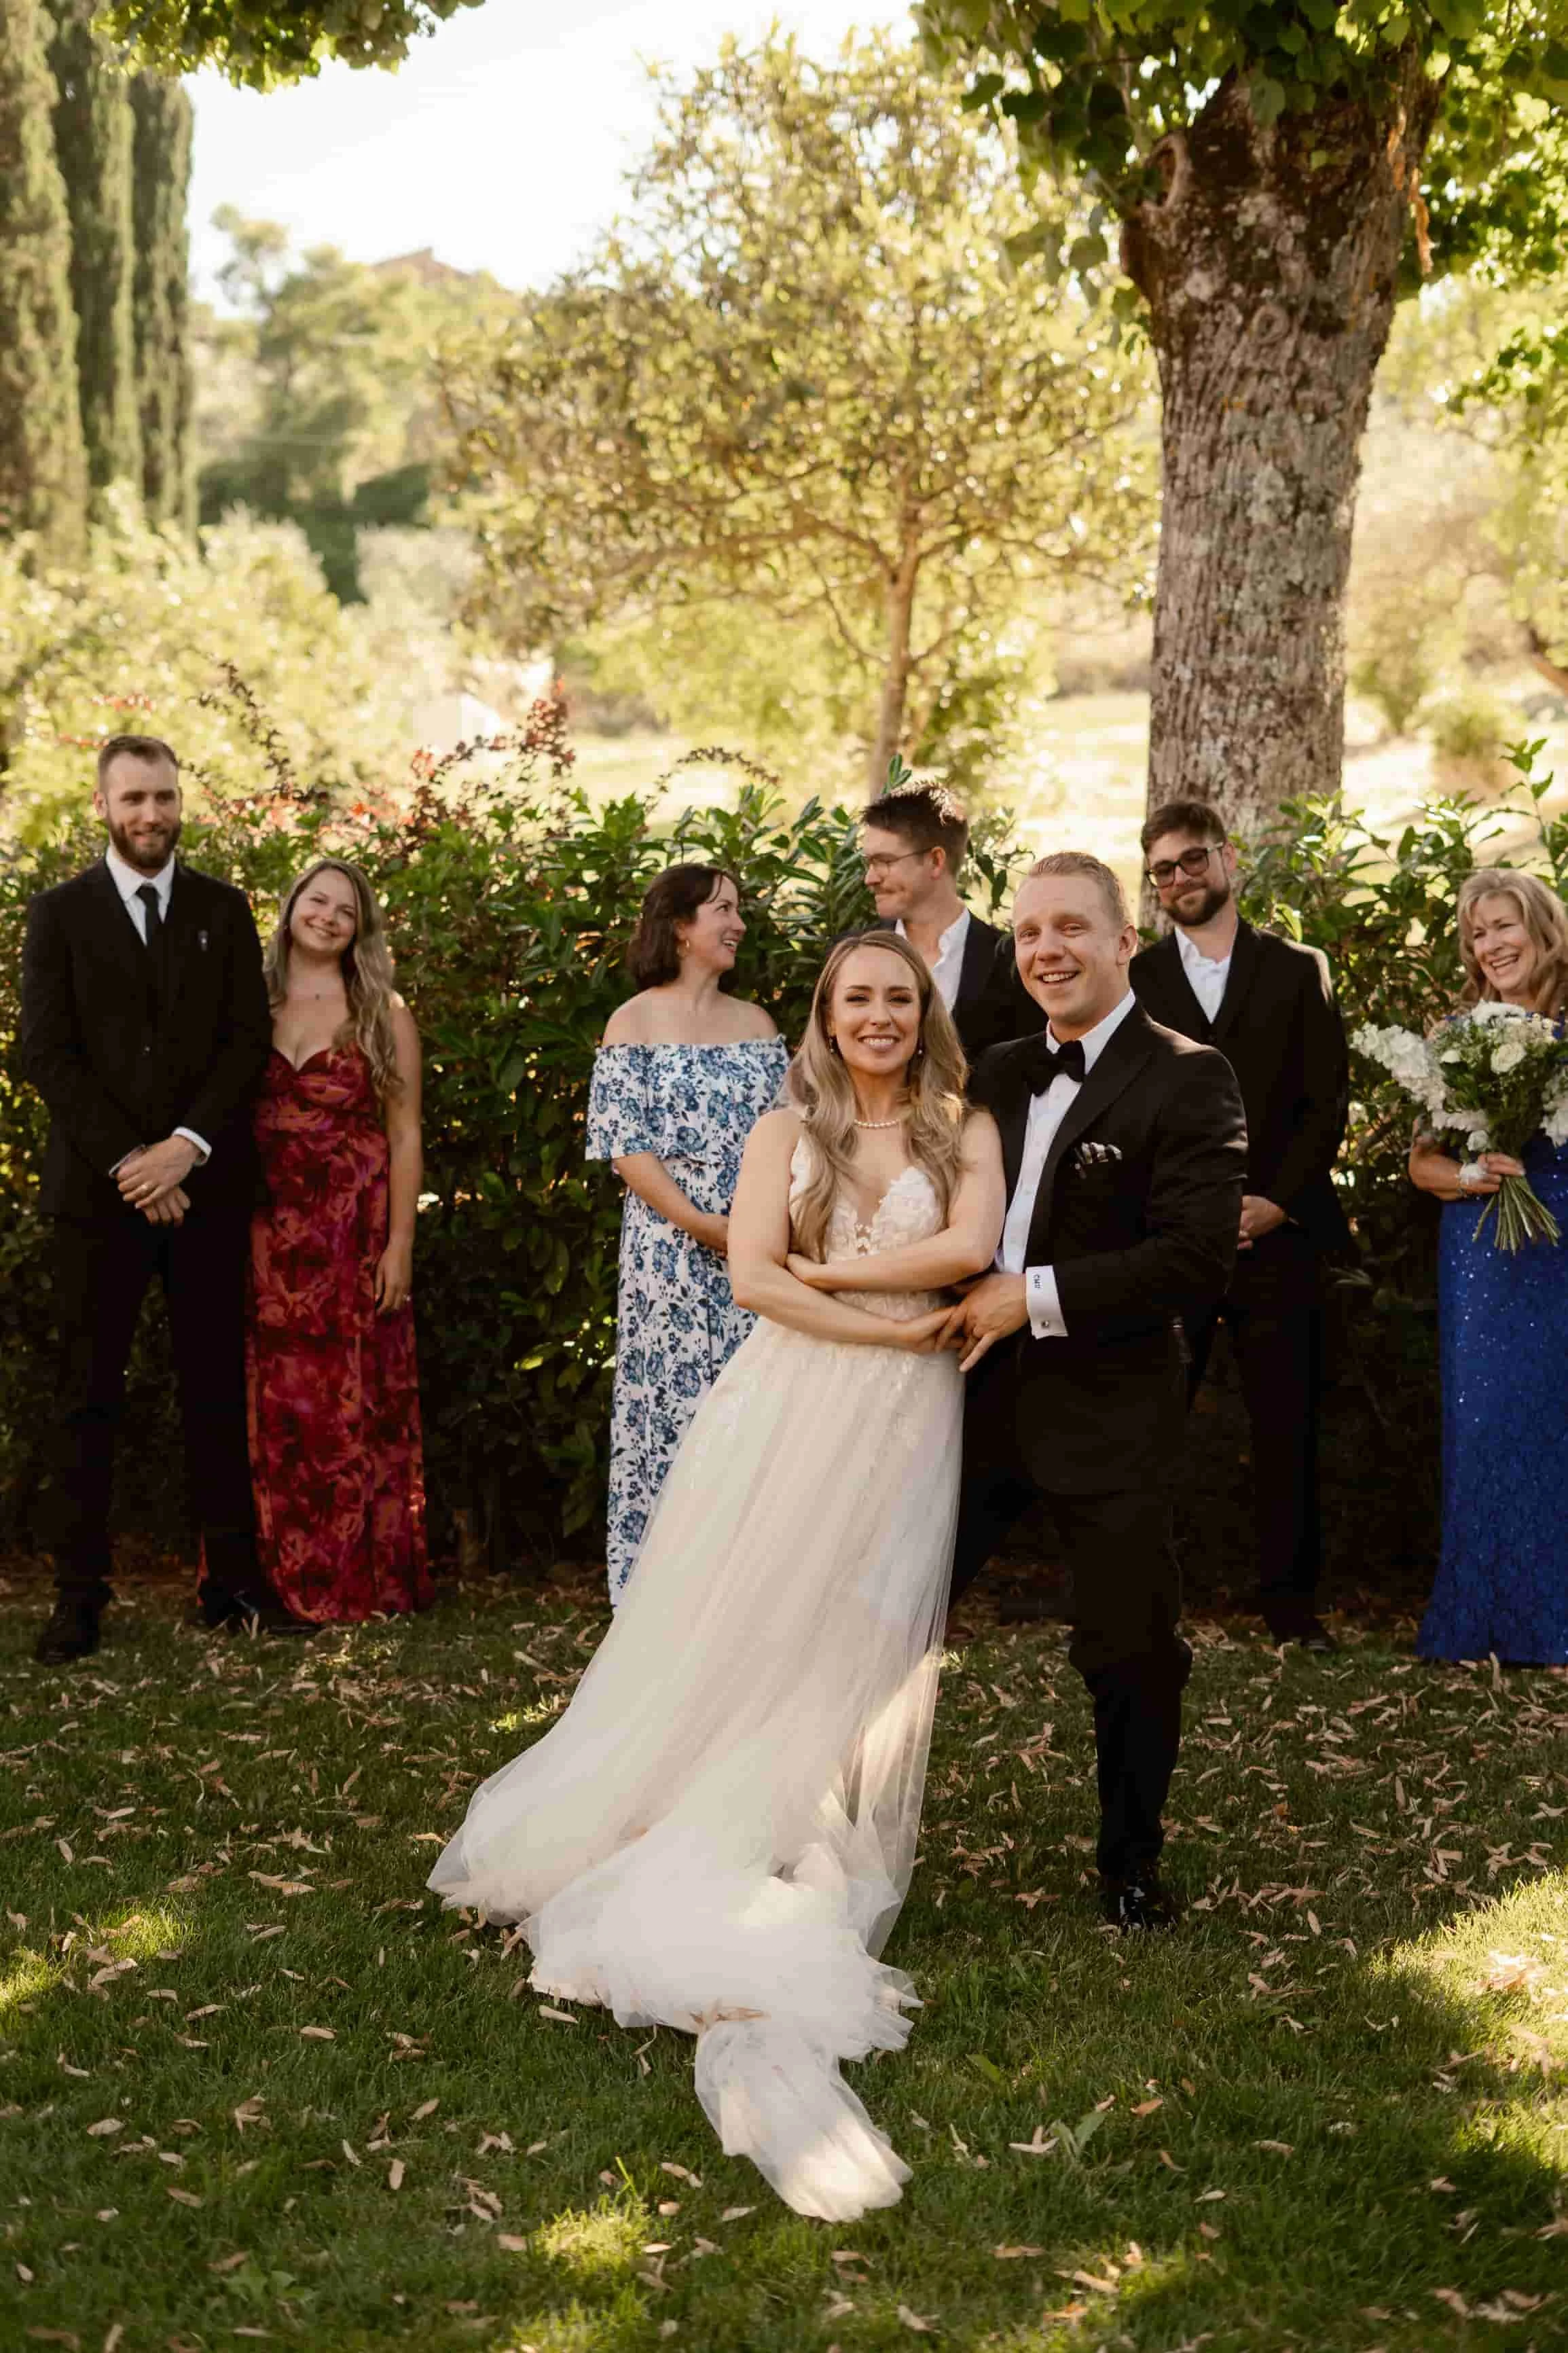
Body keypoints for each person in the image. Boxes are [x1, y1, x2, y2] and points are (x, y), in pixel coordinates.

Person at [432, 934, 1004, 2219]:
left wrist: (843, 1280)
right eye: (856, 996)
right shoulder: (774, 1129)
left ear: (923, 1015)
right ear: (823, 1012)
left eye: (897, 998)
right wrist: (879, 1316)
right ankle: (706, 1801)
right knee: (746, 1610)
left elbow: (964, 1247)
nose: (877, 1015)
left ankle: (803, 1801)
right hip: (790, 1396)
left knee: (857, 1624)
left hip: (906, 1409)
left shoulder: (961, 1128)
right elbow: (750, 1277)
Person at [943, 852, 1246, 1932]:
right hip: (964, 1402)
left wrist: (1036, 1296)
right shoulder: (994, 1070)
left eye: (1071, 928)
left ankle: (1129, 1861)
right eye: (1027, 933)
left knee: (1129, 1648)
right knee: (882, 1614)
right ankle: (826, 1829)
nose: (1045, 951)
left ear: (1126, 943)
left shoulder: (1188, 1073)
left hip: (1110, 1407)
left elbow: (1196, 1257)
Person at [20, 734, 283, 1664]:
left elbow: (246, 1040)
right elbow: (44, 1052)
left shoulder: (223, 908)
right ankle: (78, 1596)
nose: (152, 815)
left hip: (203, 1190)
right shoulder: (59, 915)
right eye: (134, 798)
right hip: (98, 1200)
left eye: (165, 797)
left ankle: (235, 1584)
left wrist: (185, 1150)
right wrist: (134, 1162)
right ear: (103, 805)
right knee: (86, 1398)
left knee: (216, 1389)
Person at [1131, 797, 1351, 1651]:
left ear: (1227, 859)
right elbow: (1129, 1107)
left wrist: (1278, 1199)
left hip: (1278, 1232)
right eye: (1162, 870)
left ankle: (1291, 1609)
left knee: (1286, 1424)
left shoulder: (1298, 967)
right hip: (1172, 1241)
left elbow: (1325, 1098)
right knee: (1148, 1424)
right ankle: (1138, 1596)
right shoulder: (1139, 979)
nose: (1179, 879)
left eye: (1192, 860)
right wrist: (1185, 1213)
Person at [586, 865, 787, 1602]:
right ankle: (659, 1600)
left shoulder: (759, 1025)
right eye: (723, 909)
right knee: (666, 1416)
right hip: (666, 1256)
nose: (738, 923)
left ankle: (747, 1597)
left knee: (751, 1413)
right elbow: (624, 1146)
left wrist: (754, 1231)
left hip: (757, 1251)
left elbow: (789, 1134)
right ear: (680, 925)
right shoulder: (631, 1022)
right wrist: (705, 1225)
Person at [247, 859, 431, 1623]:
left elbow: (404, 1129)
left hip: (353, 1229)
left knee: (355, 1403)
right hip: (260, 1230)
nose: (326, 916)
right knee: (274, 1403)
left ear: (362, 929)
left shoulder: (380, 1010)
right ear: (291, 905)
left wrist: (399, 1244)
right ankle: (270, 1578)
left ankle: (361, 1579)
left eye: (345, 910)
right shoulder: (244, 1001)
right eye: (316, 900)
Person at [1408, 867, 1568, 1666]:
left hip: (1562, 1245)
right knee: (1486, 1427)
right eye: (1476, 934)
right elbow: (1420, 1164)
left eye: (1502, 926)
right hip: (1483, 1258)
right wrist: (1471, 1177)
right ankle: (1481, 1623)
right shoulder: (1456, 1034)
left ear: (1541, 926)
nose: (1490, 945)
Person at [860, 779, 1044, 1058]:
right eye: (869, 863)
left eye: (884, 862)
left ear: (936, 861)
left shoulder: (1012, 963)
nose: (870, 878)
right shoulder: (849, 955)